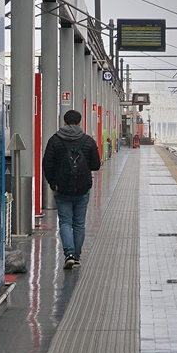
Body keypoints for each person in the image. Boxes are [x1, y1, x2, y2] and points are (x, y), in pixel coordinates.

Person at [42, 109, 102, 270]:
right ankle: (76, 257)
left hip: (61, 188)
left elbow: (47, 164)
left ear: (64, 122)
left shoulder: (54, 140)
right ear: (80, 122)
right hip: (82, 188)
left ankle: (68, 253)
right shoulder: (88, 141)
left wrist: (52, 182)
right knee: (79, 223)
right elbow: (96, 165)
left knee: (65, 222)